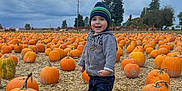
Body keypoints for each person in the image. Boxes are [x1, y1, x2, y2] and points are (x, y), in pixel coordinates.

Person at [78, 2, 117, 91]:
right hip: (92, 75)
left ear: (108, 22)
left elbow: (111, 54)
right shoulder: (90, 36)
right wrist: (82, 63)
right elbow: (86, 51)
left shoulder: (108, 38)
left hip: (104, 77)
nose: (97, 22)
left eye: (102, 19)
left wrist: (108, 69)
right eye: (94, 19)